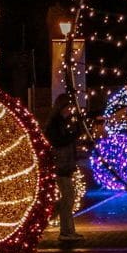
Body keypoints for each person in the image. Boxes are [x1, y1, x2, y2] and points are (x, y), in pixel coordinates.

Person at [43, 93, 83, 242]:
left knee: (67, 199)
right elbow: (59, 142)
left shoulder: (62, 122)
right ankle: (66, 232)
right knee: (68, 198)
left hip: (65, 165)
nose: (70, 110)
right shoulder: (55, 123)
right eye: (68, 107)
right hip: (60, 166)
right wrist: (75, 135)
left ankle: (68, 230)